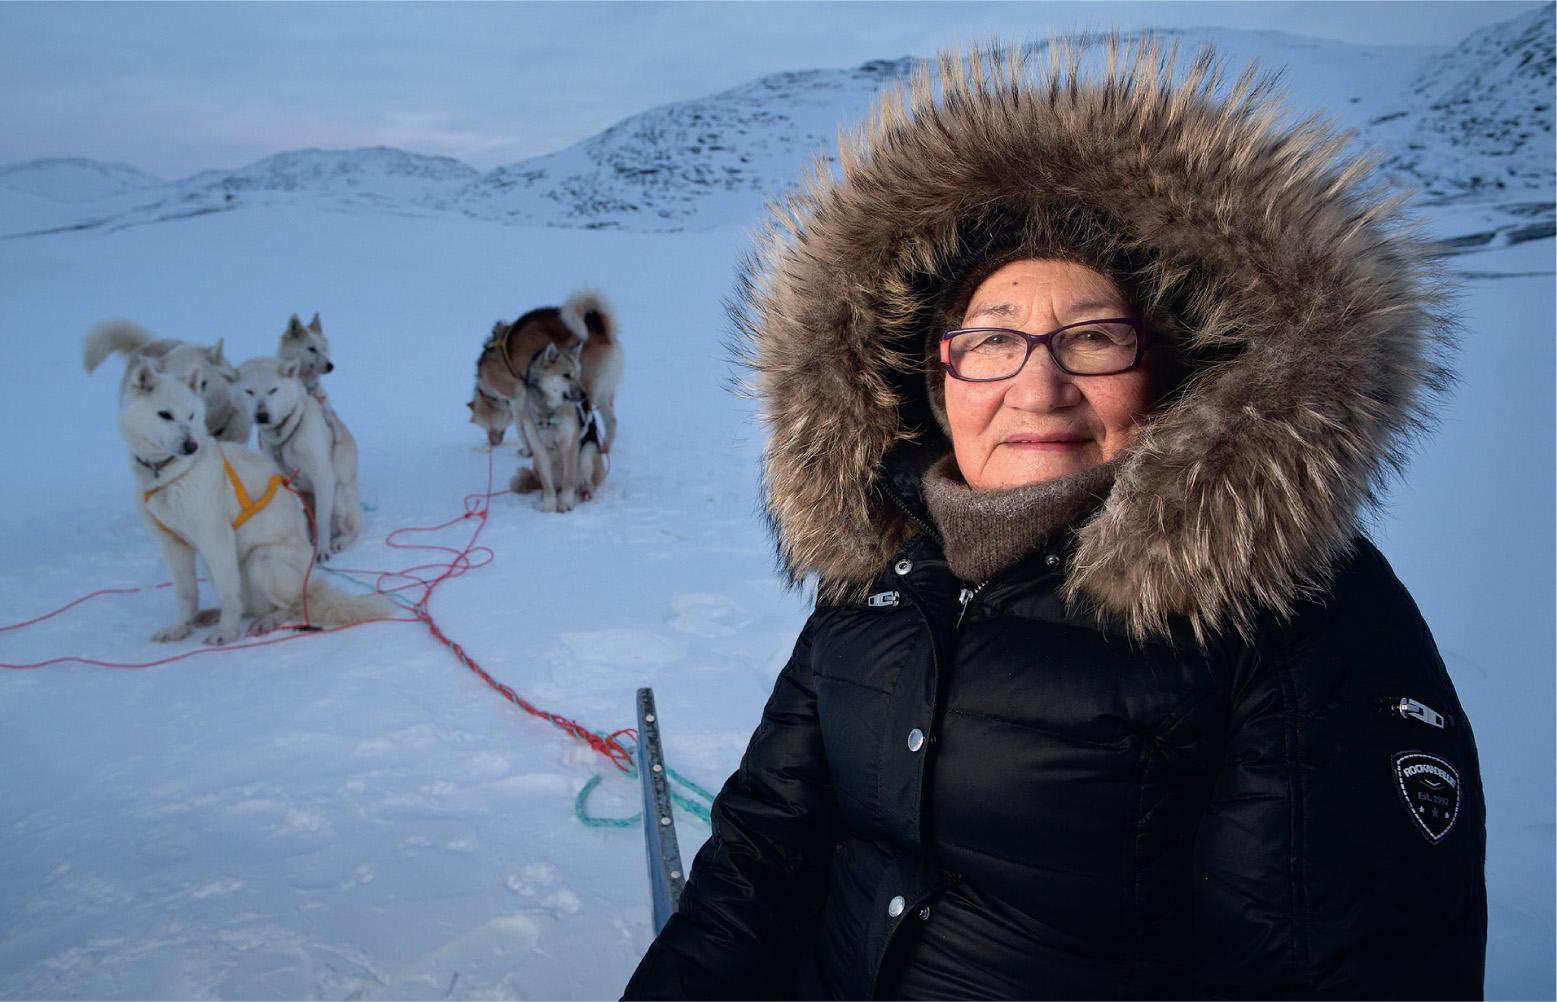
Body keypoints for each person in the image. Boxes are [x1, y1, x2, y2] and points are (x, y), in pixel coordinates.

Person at [624, 37, 1486, 1000]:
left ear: (1166, 368)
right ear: (934, 376)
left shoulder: (1284, 611)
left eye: (1090, 337)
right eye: (992, 340)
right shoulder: (887, 563)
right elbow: (761, 855)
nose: (1038, 387)